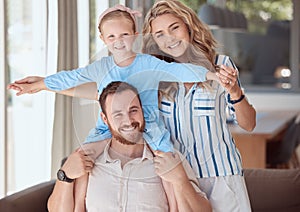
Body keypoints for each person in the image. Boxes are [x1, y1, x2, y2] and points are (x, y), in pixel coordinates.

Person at [7, 4, 218, 153]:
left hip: (149, 126)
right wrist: (40, 84)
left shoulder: (149, 63)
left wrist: (209, 74)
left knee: (169, 162)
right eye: (111, 37)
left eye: (124, 35)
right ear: (103, 39)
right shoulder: (101, 68)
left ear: (135, 33)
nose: (119, 42)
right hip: (107, 128)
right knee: (82, 157)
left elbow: (180, 72)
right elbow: (71, 78)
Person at [142, 0, 256, 211]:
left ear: (188, 25)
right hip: (180, 180)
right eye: (159, 34)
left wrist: (235, 92)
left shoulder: (220, 65)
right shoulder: (155, 77)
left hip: (222, 176)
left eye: (174, 27)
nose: (169, 38)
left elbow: (248, 124)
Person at [47, 81, 212, 212]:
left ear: (142, 111)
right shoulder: (86, 160)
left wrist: (181, 180)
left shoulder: (169, 159)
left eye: (133, 110)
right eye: (118, 114)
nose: (128, 121)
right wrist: (65, 176)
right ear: (105, 119)